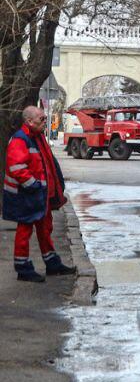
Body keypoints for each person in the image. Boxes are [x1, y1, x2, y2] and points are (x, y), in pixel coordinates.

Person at [4, 106, 76, 283]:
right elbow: (17, 169)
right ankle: (23, 269)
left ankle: (52, 264)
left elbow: (47, 164)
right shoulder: (21, 139)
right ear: (29, 121)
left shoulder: (37, 137)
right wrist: (35, 186)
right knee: (25, 230)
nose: (45, 122)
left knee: (45, 229)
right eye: (42, 119)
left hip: (39, 195)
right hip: (27, 195)